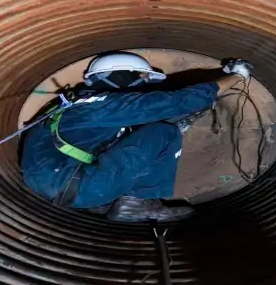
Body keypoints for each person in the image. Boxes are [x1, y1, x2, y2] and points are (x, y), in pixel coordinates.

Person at [21, 51, 254, 222]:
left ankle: (104, 200)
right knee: (164, 133)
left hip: (50, 184)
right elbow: (176, 101)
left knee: (136, 135)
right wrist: (236, 77)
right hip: (78, 187)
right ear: (123, 76)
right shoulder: (107, 104)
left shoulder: (78, 103)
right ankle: (136, 204)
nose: (145, 82)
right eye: (142, 77)